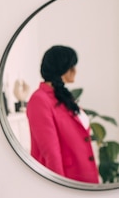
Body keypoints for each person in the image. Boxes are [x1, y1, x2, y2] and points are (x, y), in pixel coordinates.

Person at [26, 45, 99, 183]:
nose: (75, 71)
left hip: (84, 176)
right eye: (72, 66)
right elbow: (51, 152)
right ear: (61, 68)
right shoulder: (39, 99)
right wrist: (59, 188)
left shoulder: (63, 96)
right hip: (67, 181)